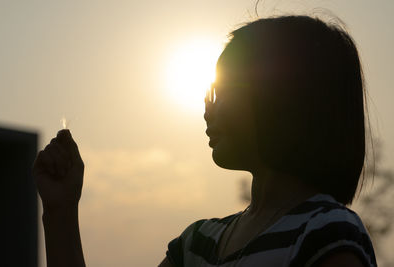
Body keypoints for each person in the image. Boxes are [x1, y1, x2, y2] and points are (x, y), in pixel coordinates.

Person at [33, 15, 377, 267]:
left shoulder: (326, 234)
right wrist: (60, 211)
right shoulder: (196, 244)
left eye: (223, 91)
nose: (207, 106)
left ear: (286, 99)